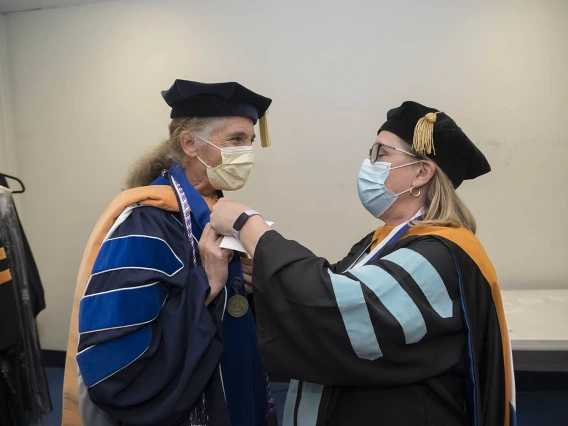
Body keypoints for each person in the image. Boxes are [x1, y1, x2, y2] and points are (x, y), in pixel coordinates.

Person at [203, 101, 516, 426]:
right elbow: (320, 296)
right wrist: (260, 280)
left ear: (422, 172)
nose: (369, 164)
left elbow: (335, 309)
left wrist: (249, 225)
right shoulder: (380, 242)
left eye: (381, 154)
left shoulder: (438, 256)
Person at [61, 79, 277, 426]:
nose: (247, 153)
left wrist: (243, 286)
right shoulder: (147, 223)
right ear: (190, 143)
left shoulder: (214, 209)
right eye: (236, 139)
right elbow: (116, 359)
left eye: (250, 141)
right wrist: (205, 284)